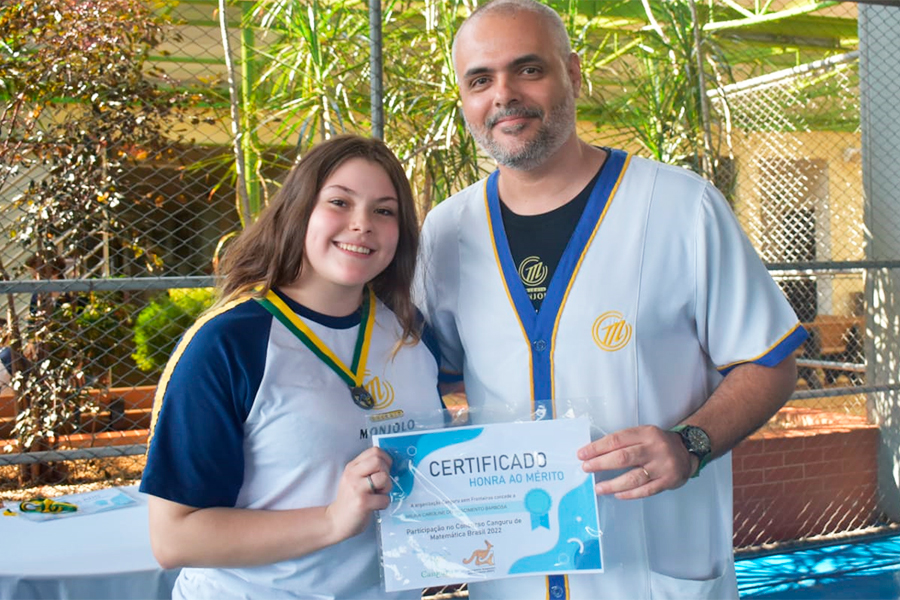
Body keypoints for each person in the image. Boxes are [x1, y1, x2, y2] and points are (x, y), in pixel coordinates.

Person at [415, 1, 807, 599]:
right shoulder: (446, 232)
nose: (504, 95)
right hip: (514, 580)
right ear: (465, 98)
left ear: (572, 74)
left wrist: (690, 444)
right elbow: (427, 379)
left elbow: (770, 362)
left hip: (651, 571)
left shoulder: (681, 207)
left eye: (528, 69)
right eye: (480, 80)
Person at [140, 135, 443, 599]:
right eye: (340, 202)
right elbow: (174, 538)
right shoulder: (227, 343)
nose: (362, 224)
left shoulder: (409, 331)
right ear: (299, 210)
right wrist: (331, 519)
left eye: (384, 211)